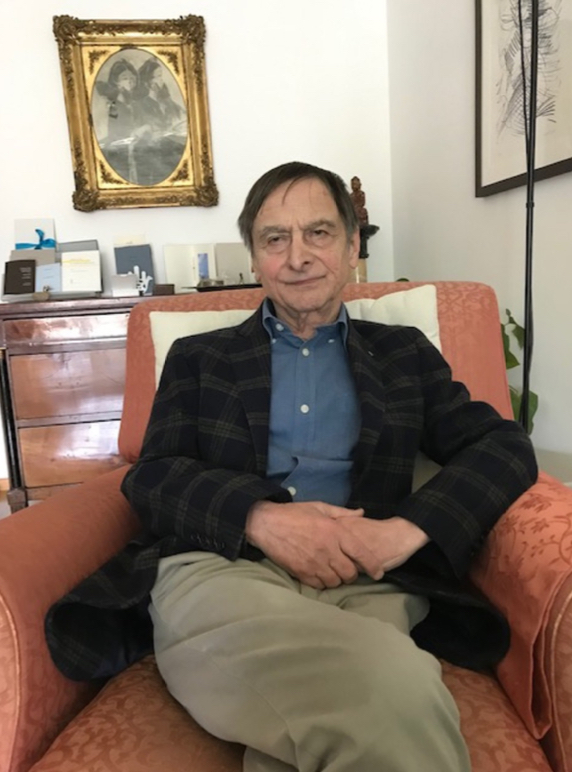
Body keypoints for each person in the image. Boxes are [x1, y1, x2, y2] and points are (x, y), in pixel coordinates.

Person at [46, 162, 537, 771]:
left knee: (316, 729)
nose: (298, 256)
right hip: (221, 571)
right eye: (275, 238)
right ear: (256, 257)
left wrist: (403, 532)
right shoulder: (200, 358)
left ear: (353, 246)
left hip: (367, 579)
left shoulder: (404, 355)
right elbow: (153, 475)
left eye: (319, 233)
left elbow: (503, 446)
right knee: (396, 685)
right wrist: (260, 519)